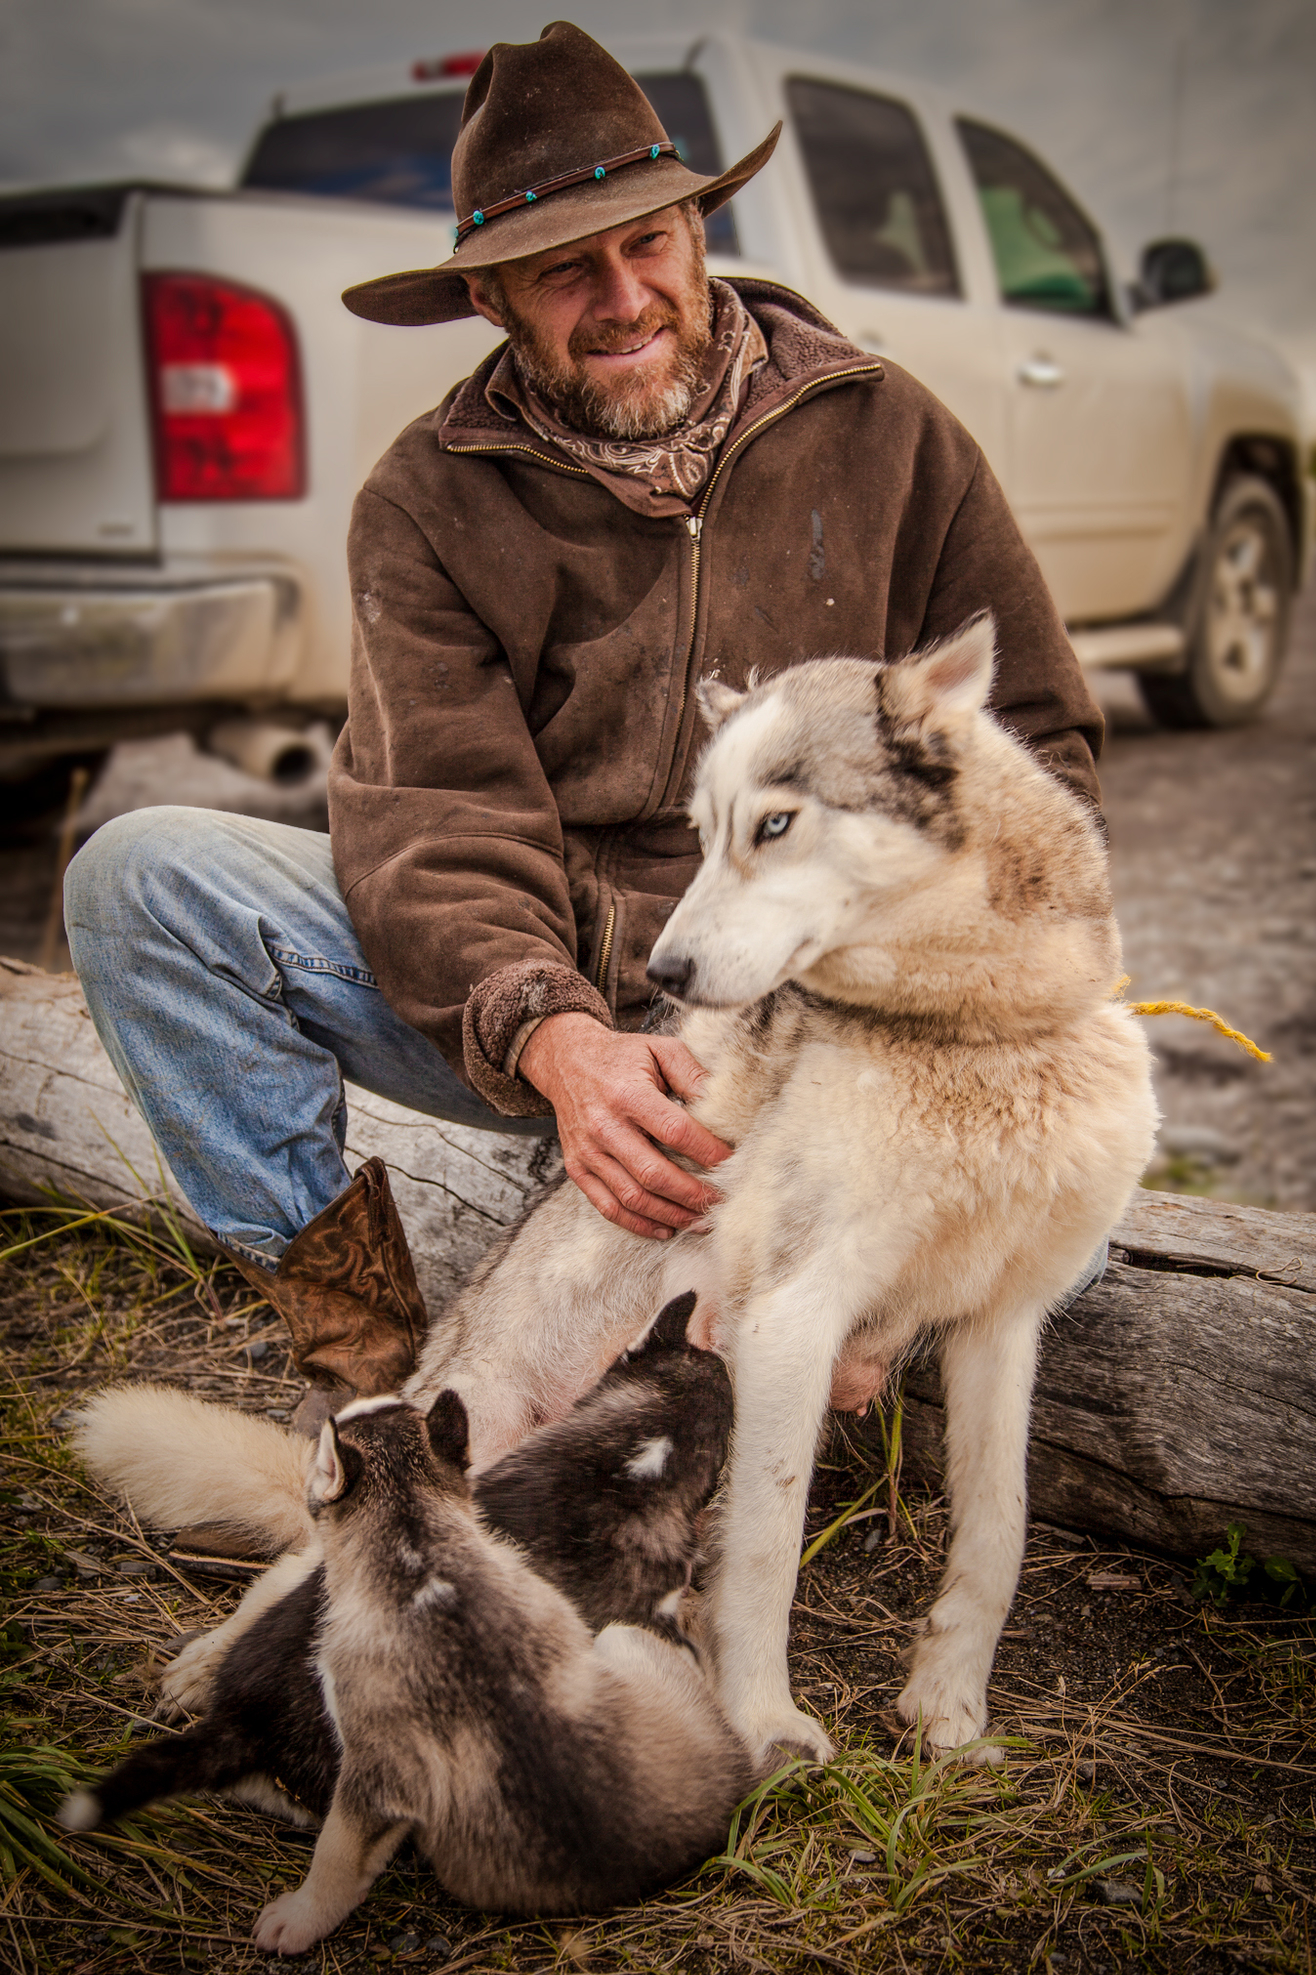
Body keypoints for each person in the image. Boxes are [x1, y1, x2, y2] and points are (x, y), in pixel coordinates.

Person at [65, 23, 1104, 1432]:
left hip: (809, 1014)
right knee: (142, 877)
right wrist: (557, 1042)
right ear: (492, 296)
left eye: (650, 244)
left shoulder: (886, 434)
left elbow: (1033, 750)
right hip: (535, 998)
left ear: (699, 229)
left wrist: (866, 1012)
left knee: (1013, 1217)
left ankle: (785, 1353)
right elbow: (432, 817)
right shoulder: (426, 499)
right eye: (564, 268)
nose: (621, 297)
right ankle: (365, 1378)